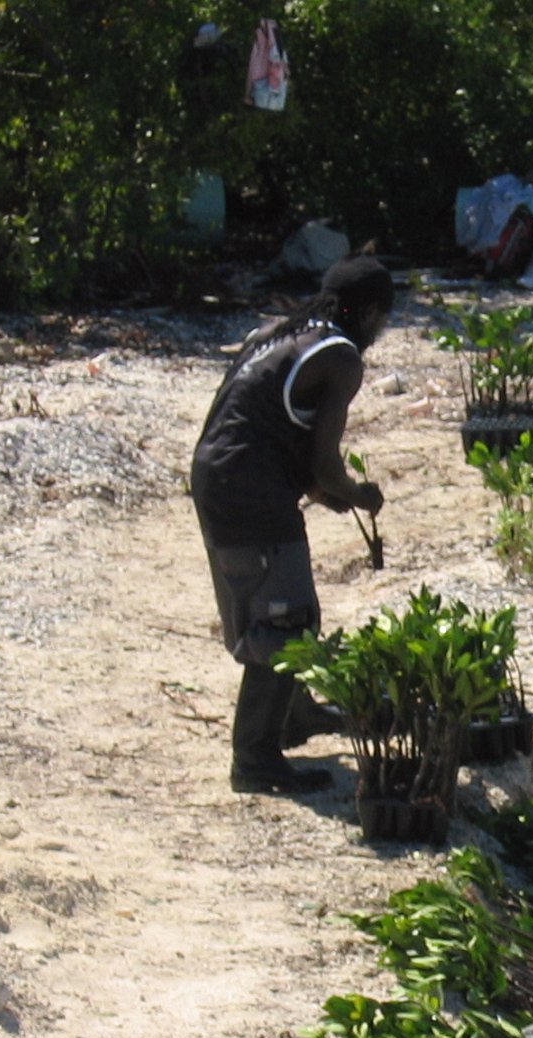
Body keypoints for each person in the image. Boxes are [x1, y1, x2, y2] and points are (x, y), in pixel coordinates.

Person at [190, 255, 392, 793]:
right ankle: (254, 759)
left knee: (279, 604)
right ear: (372, 312)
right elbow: (325, 462)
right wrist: (357, 494)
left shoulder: (274, 332)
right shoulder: (341, 358)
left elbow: (258, 420)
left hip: (217, 476)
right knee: (285, 624)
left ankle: (295, 717)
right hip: (248, 490)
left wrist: (314, 487)